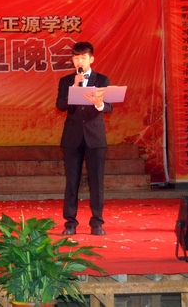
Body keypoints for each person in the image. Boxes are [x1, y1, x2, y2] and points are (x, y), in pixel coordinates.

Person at [56, 41, 112, 236]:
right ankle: (70, 223)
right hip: (72, 136)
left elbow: (109, 107)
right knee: (72, 182)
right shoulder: (66, 81)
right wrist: (74, 87)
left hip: (95, 137)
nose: (80, 61)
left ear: (91, 59)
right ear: (73, 60)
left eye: (83, 57)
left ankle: (97, 223)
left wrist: (99, 103)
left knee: (96, 182)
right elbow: (61, 105)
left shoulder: (102, 79)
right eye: (76, 57)